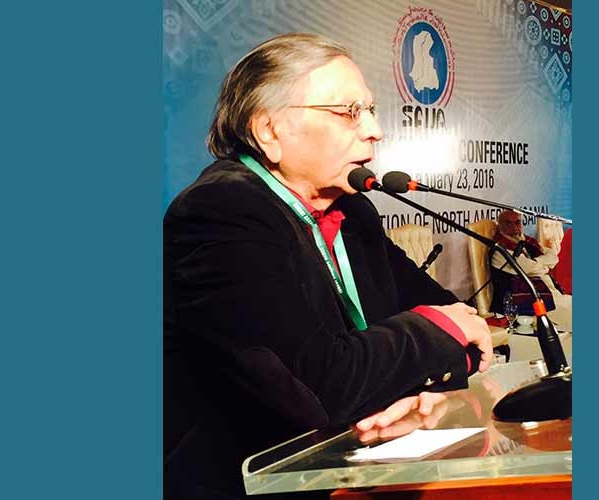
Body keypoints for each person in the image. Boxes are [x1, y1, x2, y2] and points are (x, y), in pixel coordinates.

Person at [163, 33, 493, 499]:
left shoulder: (354, 212)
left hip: (352, 475)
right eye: (349, 111)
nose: (375, 129)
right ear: (269, 131)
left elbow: (458, 321)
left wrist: (417, 390)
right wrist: (435, 337)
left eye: (372, 109)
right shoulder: (221, 212)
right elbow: (319, 388)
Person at [488, 210, 572, 329]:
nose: (514, 227)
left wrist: (536, 263)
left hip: (545, 289)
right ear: (499, 225)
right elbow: (530, 268)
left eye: (517, 222)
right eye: (508, 223)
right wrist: (542, 265)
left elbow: (553, 257)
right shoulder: (499, 250)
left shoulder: (526, 241)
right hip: (522, 299)